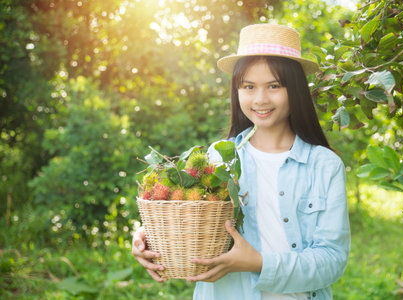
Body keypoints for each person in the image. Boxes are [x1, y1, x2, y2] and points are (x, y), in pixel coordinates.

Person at [132, 23, 351, 300]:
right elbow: (191, 217)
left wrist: (258, 263)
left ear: (294, 89)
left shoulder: (324, 165)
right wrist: (147, 235)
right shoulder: (217, 159)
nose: (260, 99)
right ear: (237, 90)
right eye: (249, 86)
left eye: (274, 86)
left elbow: (332, 261)